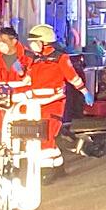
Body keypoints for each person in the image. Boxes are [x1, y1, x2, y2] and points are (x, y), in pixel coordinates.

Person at [25, 24, 93, 179]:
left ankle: (47, 171)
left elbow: (73, 77)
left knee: (46, 135)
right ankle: (58, 165)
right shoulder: (34, 60)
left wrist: (84, 92)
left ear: (44, 42)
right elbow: (27, 79)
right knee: (42, 136)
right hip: (36, 105)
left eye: (34, 41)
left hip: (54, 104)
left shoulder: (61, 59)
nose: (31, 45)